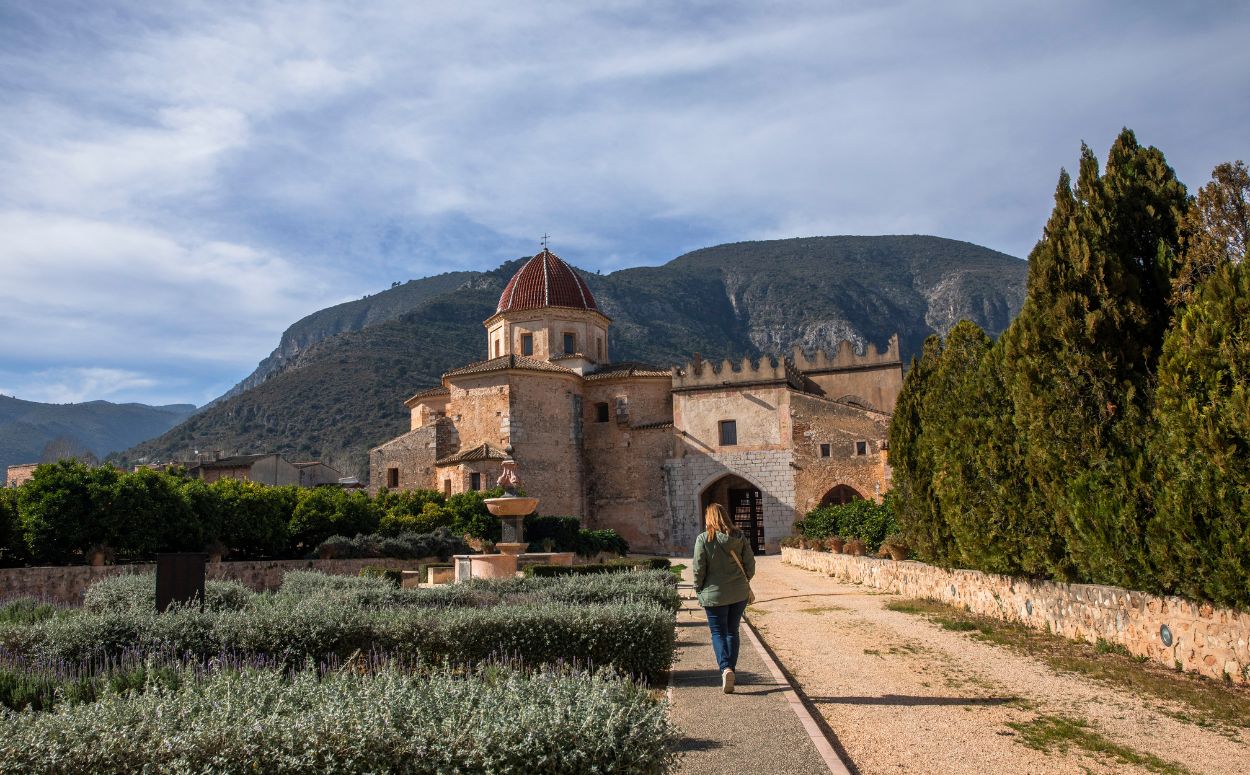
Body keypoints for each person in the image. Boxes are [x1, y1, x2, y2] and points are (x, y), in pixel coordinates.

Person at [692, 502, 756, 693]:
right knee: (732, 631)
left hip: (714, 595)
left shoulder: (703, 539)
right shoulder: (740, 537)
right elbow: (750, 565)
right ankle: (731, 671)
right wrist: (741, 581)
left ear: (708, 519)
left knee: (718, 632)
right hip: (738, 594)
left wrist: (699, 588)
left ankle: (725, 668)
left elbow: (698, 569)